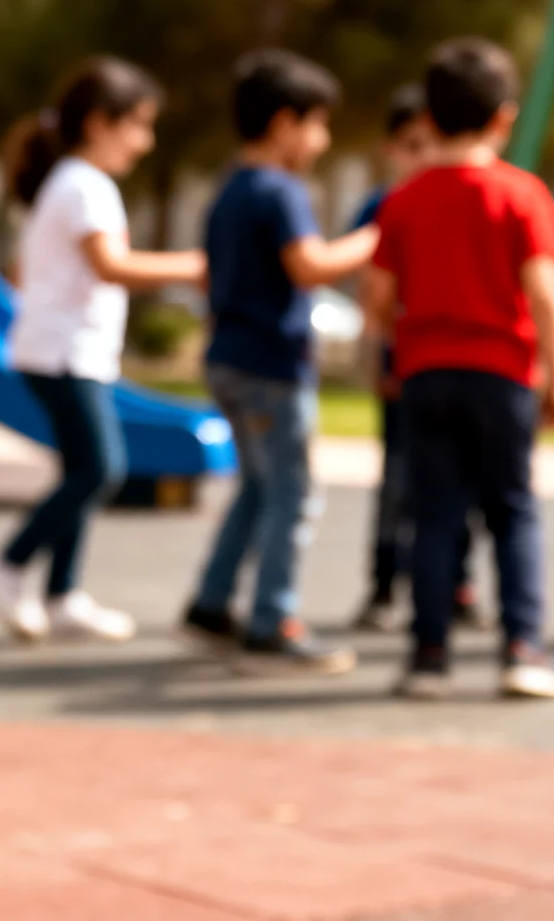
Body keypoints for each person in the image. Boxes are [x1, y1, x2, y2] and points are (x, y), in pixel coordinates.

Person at [366, 37, 554, 700]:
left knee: (435, 516)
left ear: (426, 119)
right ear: (504, 118)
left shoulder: (402, 200)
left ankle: (429, 655)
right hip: (502, 373)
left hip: (427, 373)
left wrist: (386, 355)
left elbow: (377, 298)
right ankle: (523, 648)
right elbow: (546, 293)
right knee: (512, 510)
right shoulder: (520, 194)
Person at [0, 56, 207, 643]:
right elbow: (112, 265)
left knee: (83, 468)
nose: (145, 143)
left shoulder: (72, 183)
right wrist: (197, 266)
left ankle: (63, 594)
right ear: (101, 123)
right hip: (63, 353)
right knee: (102, 468)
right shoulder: (85, 184)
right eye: (138, 125)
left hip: (66, 349)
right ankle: (5, 566)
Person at [180, 49, 375, 675]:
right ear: (286, 122)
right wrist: (377, 237)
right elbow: (310, 267)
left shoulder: (229, 190)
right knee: (292, 494)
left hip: (229, 359)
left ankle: (212, 603)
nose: (320, 141)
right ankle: (272, 619)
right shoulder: (281, 191)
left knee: (258, 487)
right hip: (272, 366)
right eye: (317, 125)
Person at [352, 85, 487, 633]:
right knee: (398, 483)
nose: (423, 156)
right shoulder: (386, 207)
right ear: (391, 149)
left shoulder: (462, 196)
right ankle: (385, 584)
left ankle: (457, 582)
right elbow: (372, 296)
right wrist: (379, 362)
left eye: (430, 143)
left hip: (462, 367)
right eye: (412, 145)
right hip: (406, 368)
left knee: (465, 484)